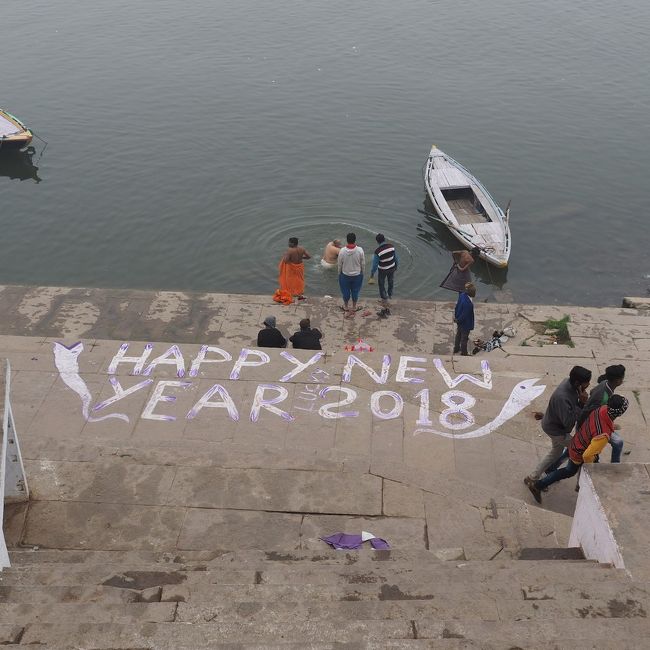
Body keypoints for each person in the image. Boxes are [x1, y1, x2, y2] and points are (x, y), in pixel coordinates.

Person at [526, 395, 629, 504]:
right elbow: (587, 455)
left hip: (578, 440)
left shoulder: (602, 409)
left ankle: (547, 474)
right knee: (568, 471)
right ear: (619, 413)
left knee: (567, 461)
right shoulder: (603, 435)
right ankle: (538, 485)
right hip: (580, 452)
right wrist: (590, 466)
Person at [524, 366, 591, 488]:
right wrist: (581, 403)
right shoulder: (563, 396)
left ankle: (533, 477)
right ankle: (539, 483)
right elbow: (568, 421)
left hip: (551, 423)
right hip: (556, 430)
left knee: (556, 452)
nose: (588, 385)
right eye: (586, 383)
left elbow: (561, 410)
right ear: (577, 382)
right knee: (578, 449)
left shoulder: (572, 385)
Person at [575, 364, 625, 463]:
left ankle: (614, 465)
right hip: (590, 426)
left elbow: (592, 391)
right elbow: (590, 414)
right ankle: (614, 466)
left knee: (618, 443)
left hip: (593, 423)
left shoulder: (605, 383)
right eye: (622, 377)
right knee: (617, 442)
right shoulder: (603, 397)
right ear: (617, 381)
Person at [337, 232, 365, 317]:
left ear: (347, 240)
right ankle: (354, 307)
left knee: (345, 292)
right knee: (355, 291)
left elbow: (339, 264)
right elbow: (363, 263)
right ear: (355, 240)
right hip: (357, 275)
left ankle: (345, 306)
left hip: (345, 275)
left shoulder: (342, 251)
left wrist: (339, 273)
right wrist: (362, 272)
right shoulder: (360, 250)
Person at [369, 233, 398, 306]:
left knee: (381, 284)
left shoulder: (378, 251)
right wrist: (396, 266)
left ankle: (384, 298)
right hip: (392, 268)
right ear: (384, 239)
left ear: (377, 241)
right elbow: (396, 258)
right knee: (390, 281)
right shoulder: (392, 247)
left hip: (382, 270)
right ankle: (390, 295)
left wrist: (372, 275)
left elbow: (375, 265)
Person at [453, 282, 476, 355]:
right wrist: (458, 320)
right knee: (464, 339)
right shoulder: (468, 304)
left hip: (459, 320)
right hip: (465, 323)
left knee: (458, 335)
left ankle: (456, 349)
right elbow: (464, 315)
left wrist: (456, 318)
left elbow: (457, 306)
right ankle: (464, 353)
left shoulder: (462, 295)